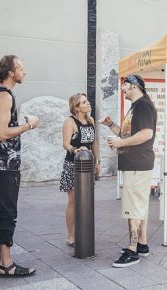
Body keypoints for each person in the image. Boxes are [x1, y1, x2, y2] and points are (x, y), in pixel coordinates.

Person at [0, 55, 39, 277]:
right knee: (6, 212)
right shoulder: (5, 96)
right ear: (11, 73)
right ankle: (6, 263)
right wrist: (28, 125)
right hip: (5, 166)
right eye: (21, 68)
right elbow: (2, 133)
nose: (24, 72)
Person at [100, 74, 157, 268]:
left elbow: (146, 134)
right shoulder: (137, 106)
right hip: (136, 164)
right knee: (139, 206)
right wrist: (110, 125)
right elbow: (127, 134)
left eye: (124, 86)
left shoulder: (142, 106)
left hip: (137, 165)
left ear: (134, 86)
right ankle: (141, 245)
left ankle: (132, 251)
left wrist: (121, 143)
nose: (122, 89)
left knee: (133, 207)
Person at [59, 93, 100, 247]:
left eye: (87, 100)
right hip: (73, 164)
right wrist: (76, 150)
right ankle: (71, 235)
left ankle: (84, 230)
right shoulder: (70, 122)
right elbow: (65, 143)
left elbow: (94, 142)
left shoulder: (90, 120)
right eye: (84, 102)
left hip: (88, 164)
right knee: (73, 201)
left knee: (86, 200)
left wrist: (97, 161)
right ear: (76, 107)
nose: (88, 103)